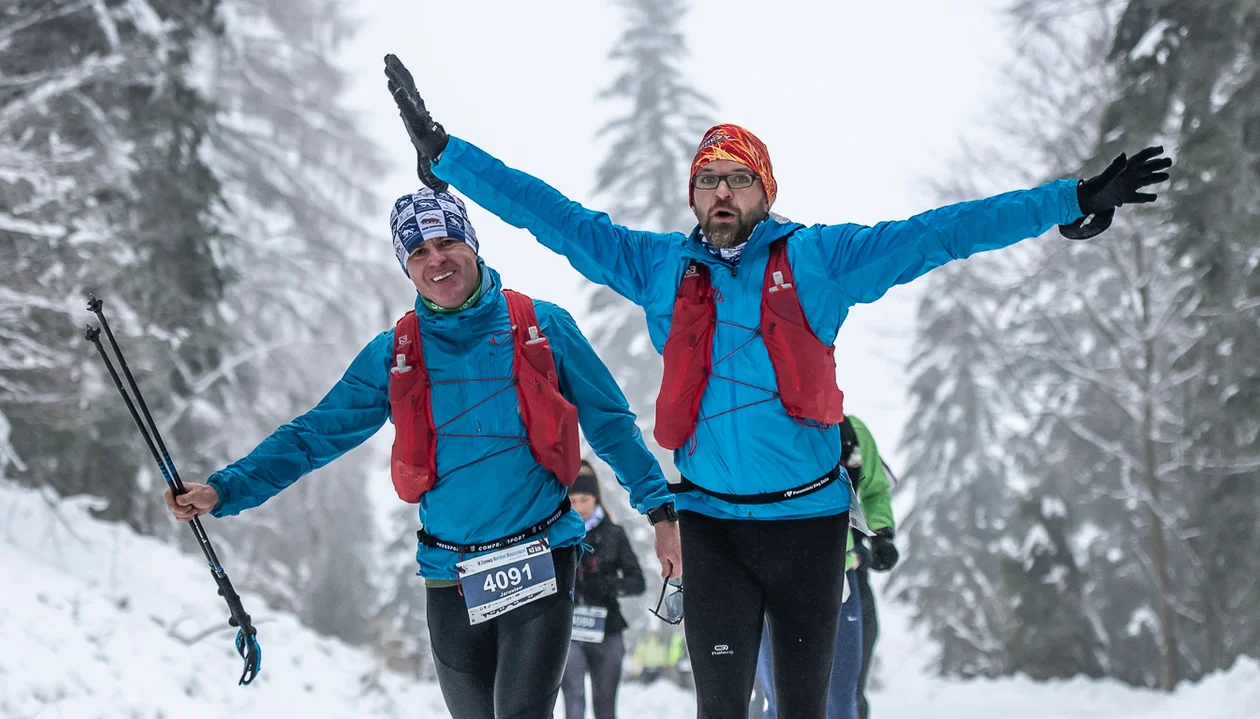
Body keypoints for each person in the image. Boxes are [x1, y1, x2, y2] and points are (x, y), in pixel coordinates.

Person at [383, 52, 1171, 719]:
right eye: (707, 180)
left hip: (810, 529)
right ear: (693, 197)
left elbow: (943, 232)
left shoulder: (821, 261)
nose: (720, 192)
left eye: (737, 179)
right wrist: (449, 157)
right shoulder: (660, 268)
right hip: (713, 528)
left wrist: (1068, 202)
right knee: (720, 706)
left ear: (765, 191)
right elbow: (554, 217)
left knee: (804, 708)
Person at [164, 187, 682, 719]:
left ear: (472, 245)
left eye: (446, 241)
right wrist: (224, 489)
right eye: (418, 251)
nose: (436, 259)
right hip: (450, 573)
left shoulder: (542, 326)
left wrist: (660, 511)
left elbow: (612, 427)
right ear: (406, 268)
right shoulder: (394, 354)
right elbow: (314, 435)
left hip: (541, 555)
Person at [754, 415, 896, 719]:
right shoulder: (763, 426)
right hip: (773, 573)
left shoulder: (851, 432)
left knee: (843, 695)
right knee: (777, 697)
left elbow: (874, 490)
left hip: (844, 568)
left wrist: (882, 535)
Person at [561, 460, 645, 719]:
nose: (579, 507)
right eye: (572, 501)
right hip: (569, 632)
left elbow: (637, 582)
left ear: (596, 498)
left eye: (584, 499)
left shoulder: (614, 534)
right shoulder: (559, 537)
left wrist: (606, 585)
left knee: (605, 704)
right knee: (574, 701)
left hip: (608, 629)